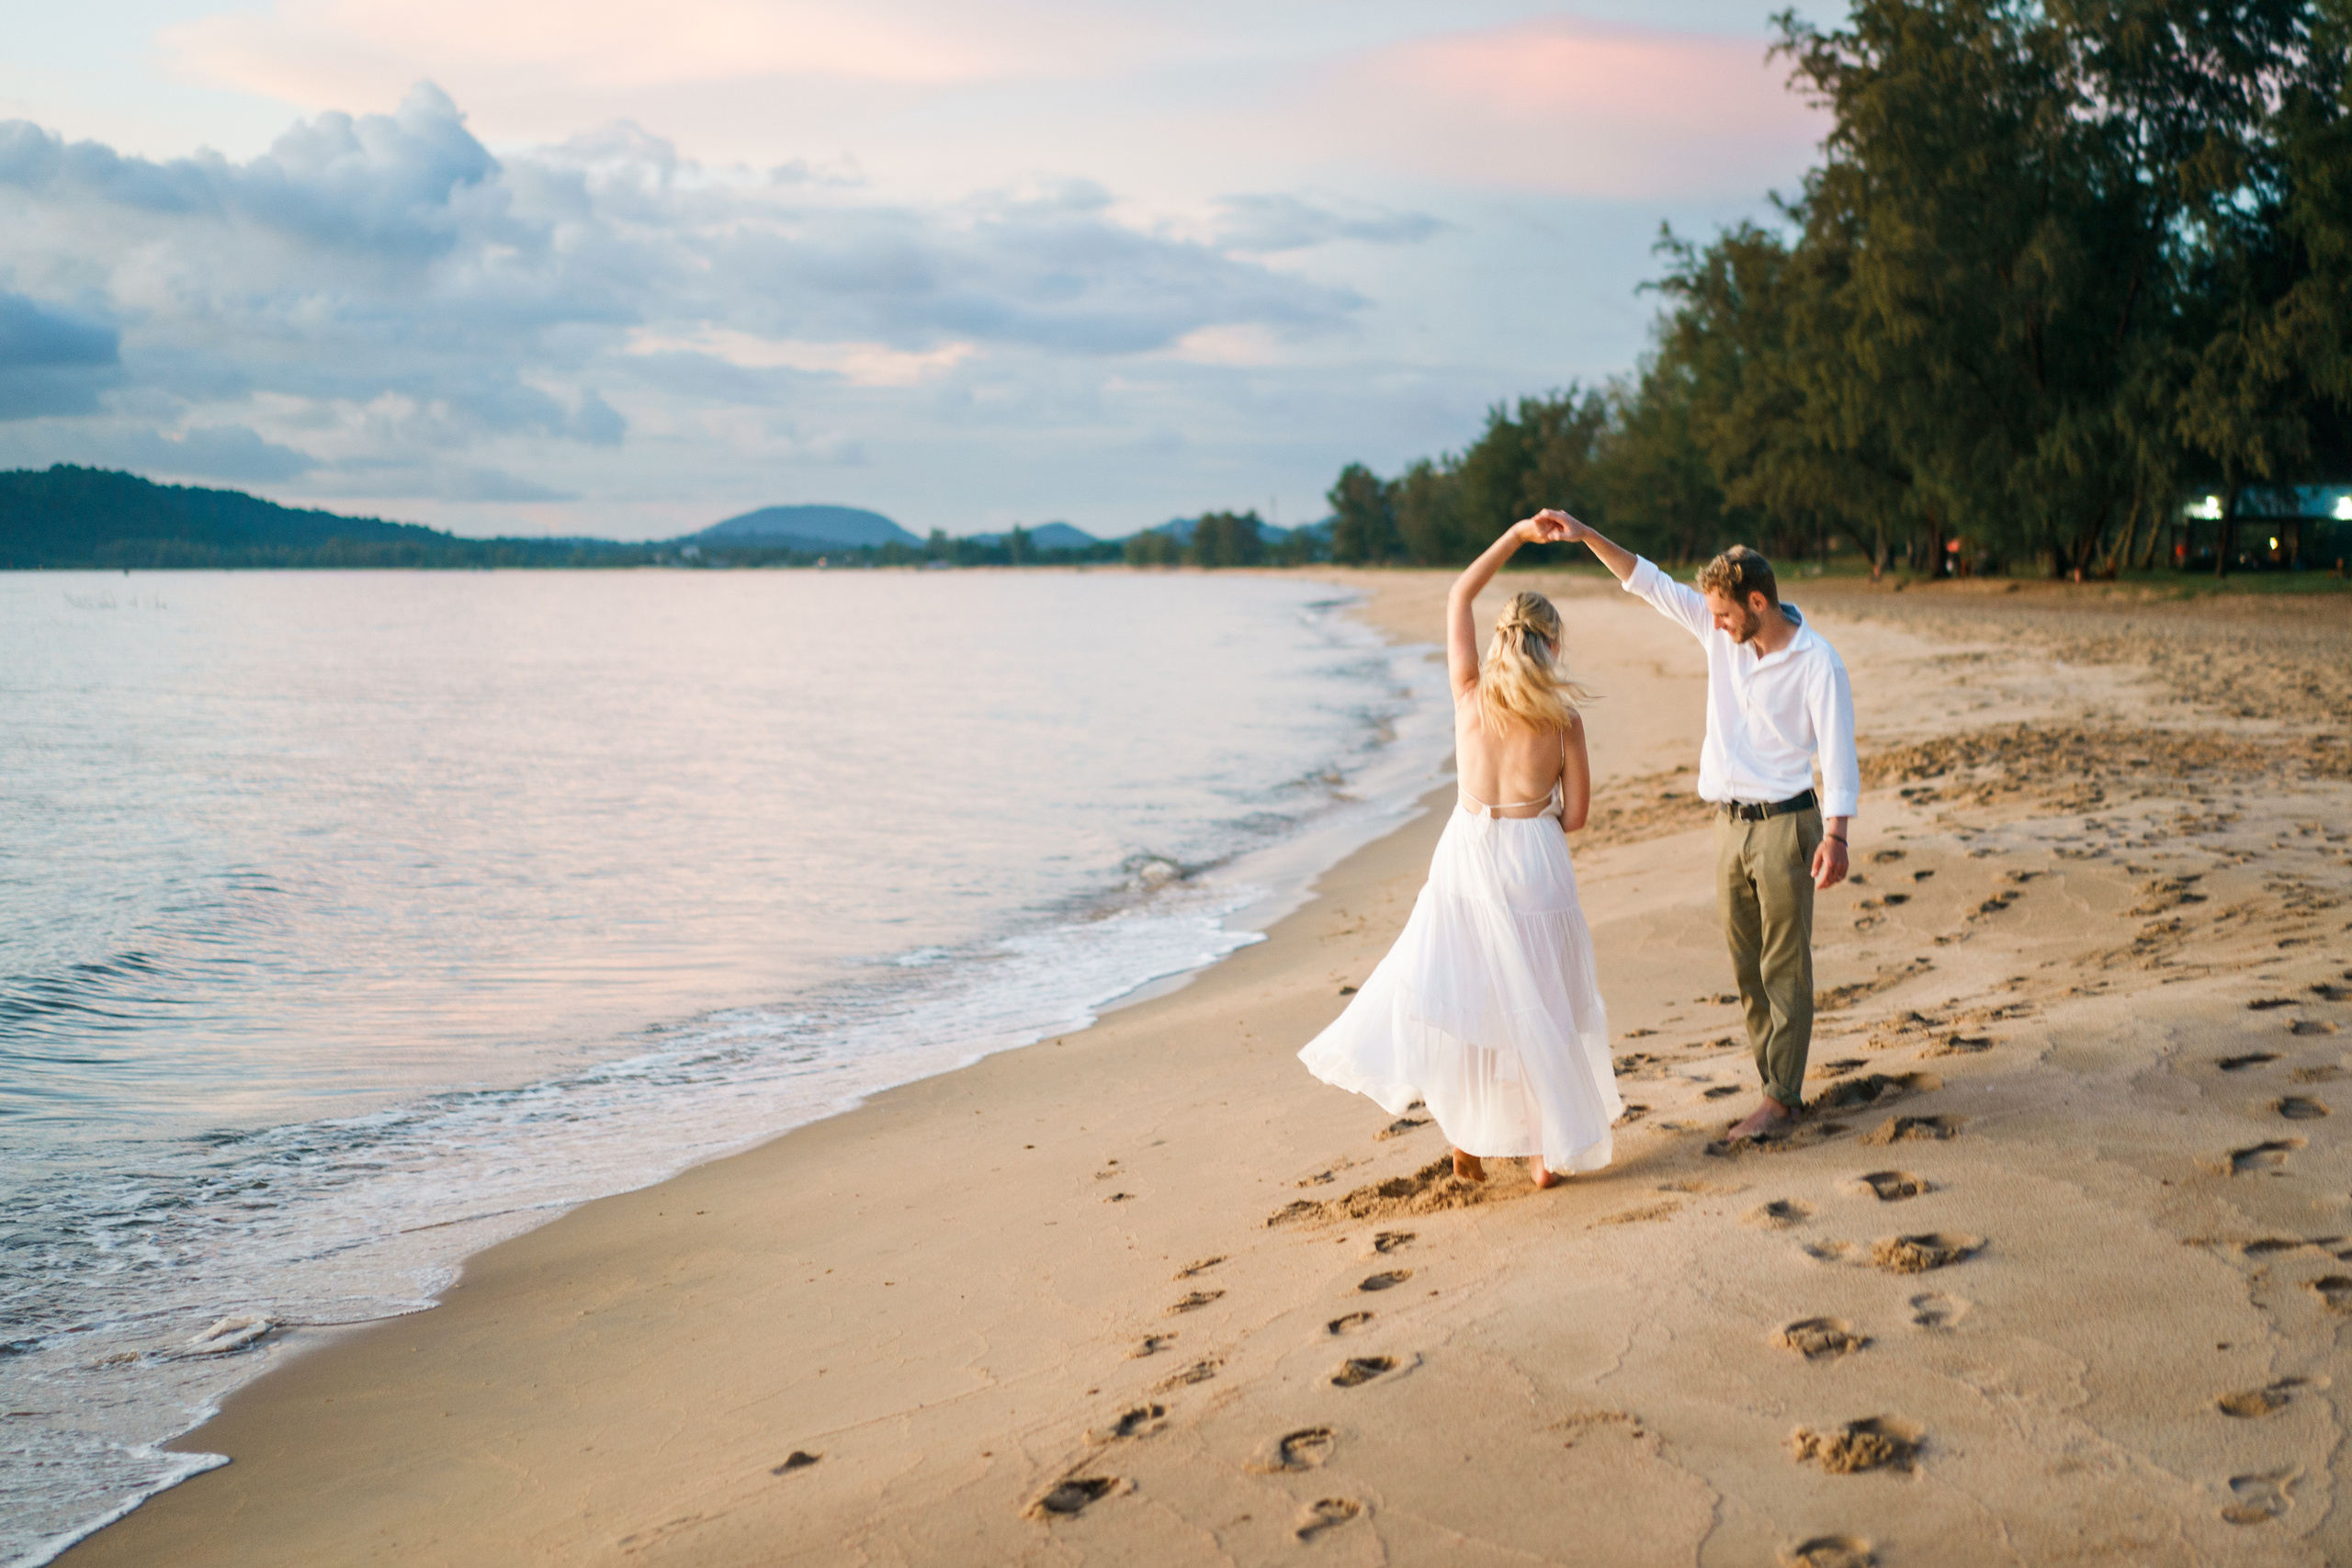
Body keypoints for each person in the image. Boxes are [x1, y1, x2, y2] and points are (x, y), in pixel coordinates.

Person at [1298, 516, 1622, 1186]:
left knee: (1466, 999)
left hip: (1467, 855)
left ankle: (1468, 1139)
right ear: (1553, 643)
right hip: (1535, 856)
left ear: (1502, 637)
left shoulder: (1469, 694)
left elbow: (1457, 595)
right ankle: (1540, 1153)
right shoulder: (1565, 719)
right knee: (1541, 1004)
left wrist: (1515, 535)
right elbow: (1580, 816)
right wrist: (1535, 819)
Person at [1541, 512, 1856, 1140]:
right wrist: (1585, 533)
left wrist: (1837, 836)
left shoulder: (1819, 662)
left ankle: (1781, 1098)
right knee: (1747, 966)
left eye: (1723, 612)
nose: (1712, 622)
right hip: (1728, 826)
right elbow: (1648, 580)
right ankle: (1777, 1085)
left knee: (1784, 966)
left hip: (1787, 823)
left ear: (1757, 602)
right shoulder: (1721, 632)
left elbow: (1838, 753)